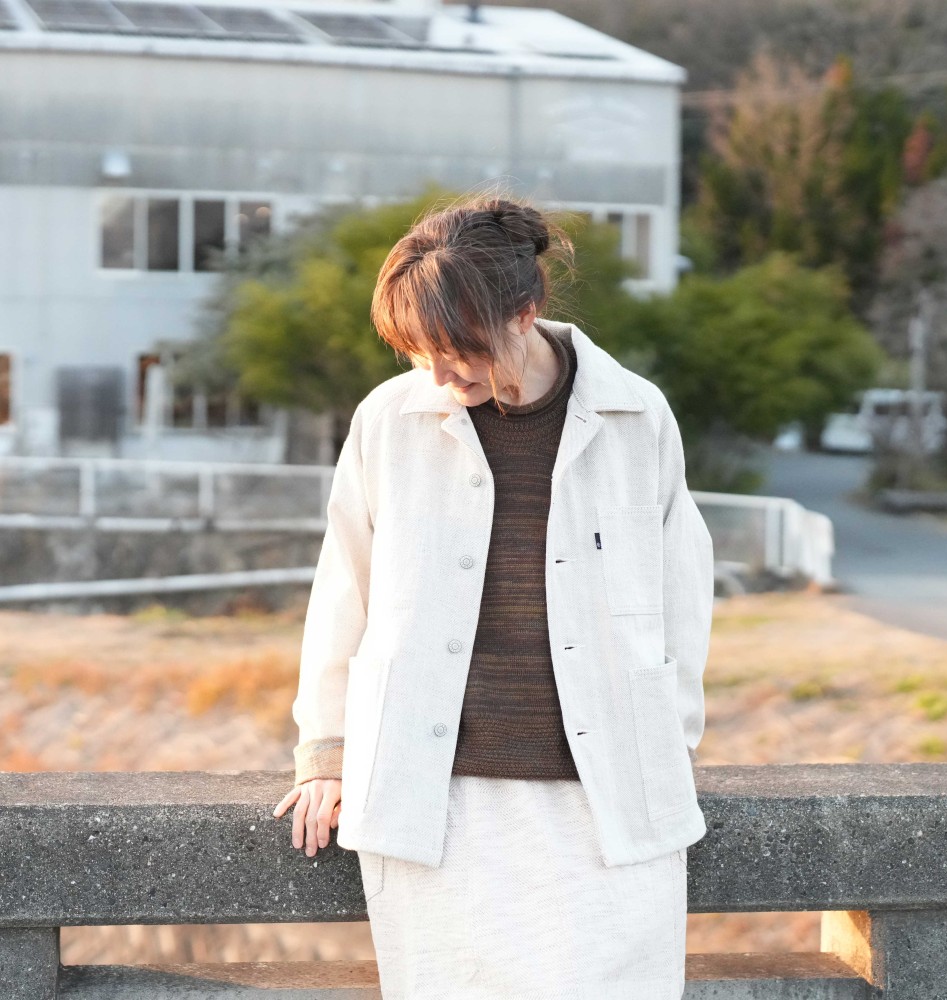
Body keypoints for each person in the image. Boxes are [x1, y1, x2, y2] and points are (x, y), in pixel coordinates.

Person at [273, 192, 715, 1000]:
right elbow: (345, 590)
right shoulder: (389, 420)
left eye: (459, 351)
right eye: (421, 354)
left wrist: (668, 745)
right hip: (438, 792)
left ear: (525, 311)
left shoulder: (635, 415)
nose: (441, 377)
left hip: (603, 791)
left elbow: (682, 598)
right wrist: (326, 754)